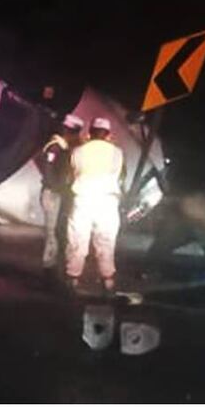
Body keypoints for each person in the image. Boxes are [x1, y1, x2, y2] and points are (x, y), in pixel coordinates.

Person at [65, 117, 125, 293]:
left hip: (83, 198)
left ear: (90, 132)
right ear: (107, 134)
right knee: (106, 241)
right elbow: (117, 172)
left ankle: (73, 278)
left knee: (77, 240)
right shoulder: (117, 152)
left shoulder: (78, 151)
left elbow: (74, 170)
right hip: (106, 200)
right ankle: (108, 280)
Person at [35, 113, 84, 273]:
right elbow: (48, 170)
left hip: (61, 193)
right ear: (68, 130)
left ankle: (55, 263)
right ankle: (48, 265)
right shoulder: (55, 146)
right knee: (52, 230)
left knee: (60, 229)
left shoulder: (68, 147)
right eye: (75, 132)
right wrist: (58, 188)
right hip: (53, 193)